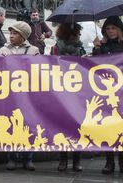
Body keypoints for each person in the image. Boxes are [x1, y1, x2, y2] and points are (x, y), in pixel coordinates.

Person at [0, 21, 39, 171]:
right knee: (10, 124)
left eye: (15, 33)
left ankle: (27, 158)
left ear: (23, 36)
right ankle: (11, 157)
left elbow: (38, 70)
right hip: (9, 94)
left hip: (27, 95)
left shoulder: (33, 50)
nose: (12, 36)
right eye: (11, 33)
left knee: (28, 124)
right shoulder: (3, 49)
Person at [51, 23, 85, 172]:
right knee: (62, 126)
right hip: (61, 91)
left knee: (78, 126)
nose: (76, 36)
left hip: (78, 91)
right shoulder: (56, 48)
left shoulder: (81, 48)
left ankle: (76, 160)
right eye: (74, 33)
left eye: (77, 33)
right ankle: (63, 158)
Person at [92, 16, 123, 174]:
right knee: (108, 127)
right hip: (107, 92)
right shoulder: (103, 46)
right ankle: (109, 161)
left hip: (122, 92)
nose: (111, 31)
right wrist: (97, 49)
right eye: (108, 29)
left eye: (113, 28)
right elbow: (95, 66)